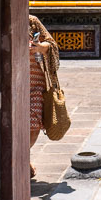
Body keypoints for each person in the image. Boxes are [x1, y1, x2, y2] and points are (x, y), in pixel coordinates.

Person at [29, 14, 60, 178]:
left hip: (35, 82)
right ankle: (21, 160)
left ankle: (22, 156)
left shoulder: (32, 22)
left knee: (33, 125)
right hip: (10, 82)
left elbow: (52, 45)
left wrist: (40, 47)